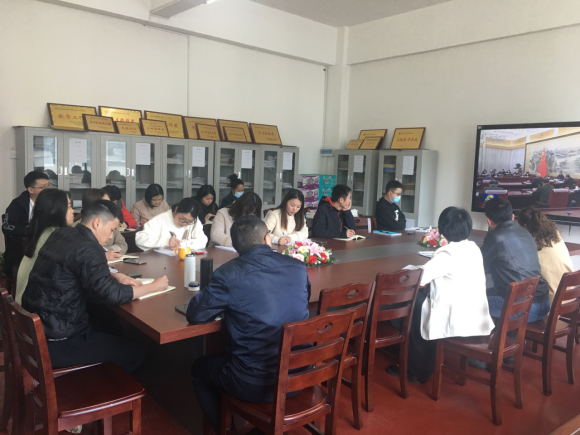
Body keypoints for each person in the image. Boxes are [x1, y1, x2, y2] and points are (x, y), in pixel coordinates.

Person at [188, 216, 310, 433]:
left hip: (253, 383)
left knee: (199, 369)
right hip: (300, 375)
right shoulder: (298, 267)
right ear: (267, 239)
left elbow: (196, 315)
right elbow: (303, 298)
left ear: (235, 246)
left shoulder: (228, 274)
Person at [22, 200, 168, 372]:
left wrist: (116, 275)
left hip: (41, 327)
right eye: (112, 229)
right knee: (137, 350)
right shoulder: (88, 247)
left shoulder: (62, 233)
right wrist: (154, 286)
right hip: (60, 340)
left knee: (111, 323)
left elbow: (73, 267)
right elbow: (111, 294)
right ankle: (105, 386)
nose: (110, 236)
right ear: (97, 222)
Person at [387, 207, 494, 383]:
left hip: (456, 317)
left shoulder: (447, 254)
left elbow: (418, 279)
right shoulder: (473, 248)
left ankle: (417, 369)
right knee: (420, 302)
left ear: (442, 229)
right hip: (475, 313)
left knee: (414, 302)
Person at [482, 198, 550, 323]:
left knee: (468, 301)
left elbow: (478, 267)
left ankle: (498, 335)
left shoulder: (495, 237)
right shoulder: (526, 233)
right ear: (512, 217)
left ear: (489, 221)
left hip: (523, 308)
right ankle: (506, 334)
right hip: (544, 303)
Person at [15, 189, 75, 304]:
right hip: (34, 304)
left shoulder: (42, 231)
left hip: (24, 301)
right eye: (68, 207)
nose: (72, 211)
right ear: (54, 210)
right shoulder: (56, 237)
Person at [517, 207, 573, 305]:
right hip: (571, 295)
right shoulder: (556, 234)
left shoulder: (531, 243)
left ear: (525, 227)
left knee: (514, 298)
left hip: (552, 302)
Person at [2, 171, 51, 277]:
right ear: (30, 190)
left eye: (48, 185)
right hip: (24, 248)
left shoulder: (53, 203)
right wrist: (33, 230)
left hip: (48, 246)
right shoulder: (17, 204)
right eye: (43, 187)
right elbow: (6, 227)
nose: (48, 189)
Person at [73, 189, 128, 260]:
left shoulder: (111, 224)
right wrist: (101, 255)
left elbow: (123, 245)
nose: (111, 206)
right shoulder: (74, 229)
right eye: (106, 203)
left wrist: (104, 250)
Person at [135, 197, 208, 251]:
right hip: (162, 262)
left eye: (189, 222)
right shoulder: (160, 219)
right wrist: (166, 241)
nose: (185, 224)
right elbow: (139, 239)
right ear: (176, 210)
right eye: (183, 219)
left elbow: (203, 241)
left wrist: (182, 244)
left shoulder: (194, 221)